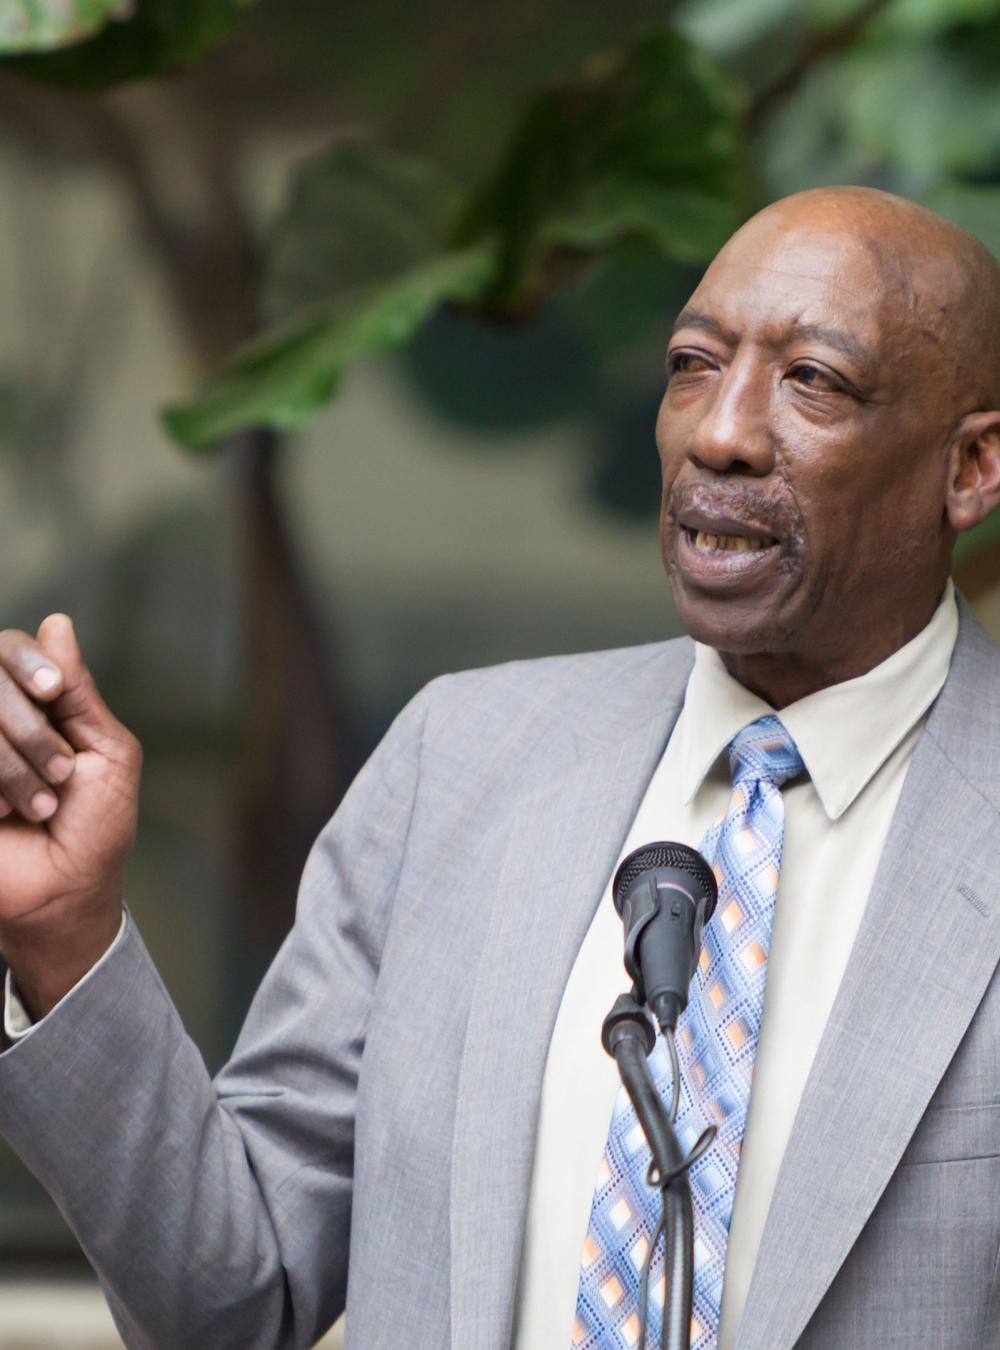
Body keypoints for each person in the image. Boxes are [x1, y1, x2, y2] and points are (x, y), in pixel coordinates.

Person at [0, 184, 998, 1350]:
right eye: (691, 362)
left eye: (812, 381)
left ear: (972, 469)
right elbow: (234, 1295)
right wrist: (64, 932)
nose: (719, 432)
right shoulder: (461, 764)